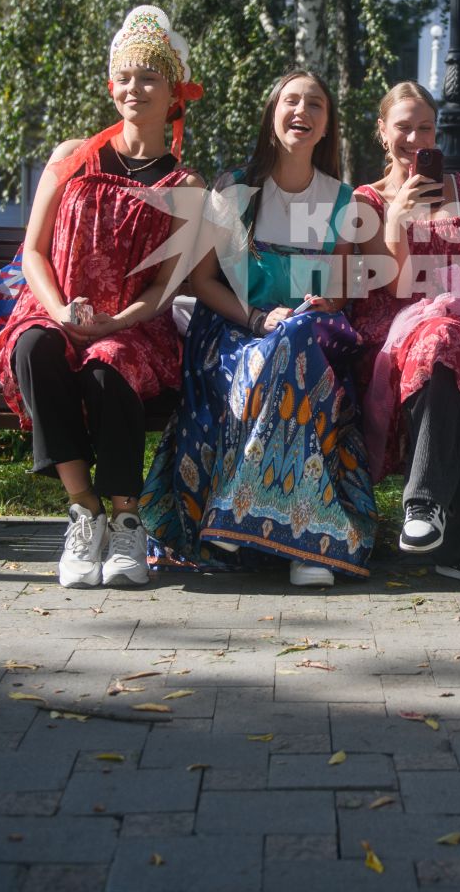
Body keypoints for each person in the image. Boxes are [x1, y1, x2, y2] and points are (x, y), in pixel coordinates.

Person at [0, 5, 205, 589]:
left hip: (133, 322)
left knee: (111, 371)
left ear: (174, 92)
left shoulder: (185, 187)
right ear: (112, 86)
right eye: (125, 77)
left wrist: (115, 323)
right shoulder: (71, 157)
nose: (135, 88)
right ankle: (85, 511)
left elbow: (165, 287)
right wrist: (57, 310)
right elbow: (33, 251)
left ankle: (128, 521)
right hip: (54, 308)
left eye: (150, 77)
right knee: (33, 349)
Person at [138, 69, 376, 586]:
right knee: (277, 354)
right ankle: (309, 547)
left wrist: (319, 302)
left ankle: (235, 506)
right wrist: (256, 318)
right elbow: (202, 282)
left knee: (293, 346)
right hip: (233, 330)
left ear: (327, 125)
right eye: (292, 102)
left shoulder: (343, 199)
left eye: (316, 105)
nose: (303, 113)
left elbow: (340, 293)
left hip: (308, 335)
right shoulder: (235, 189)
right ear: (272, 116)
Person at [351, 82, 460, 584]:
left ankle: (431, 516)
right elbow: (393, 286)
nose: (415, 139)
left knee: (448, 343)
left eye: (425, 128)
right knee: (438, 344)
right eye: (403, 127)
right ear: (381, 131)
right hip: (392, 335)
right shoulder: (367, 201)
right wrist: (397, 219)